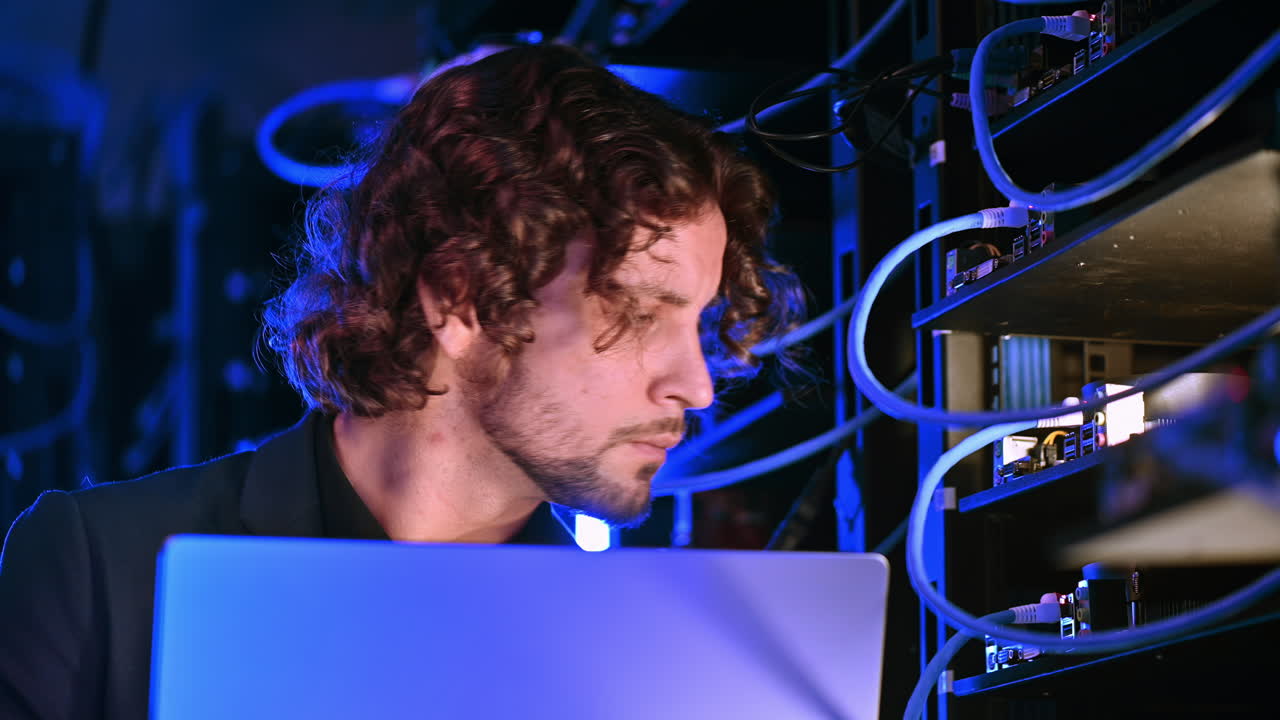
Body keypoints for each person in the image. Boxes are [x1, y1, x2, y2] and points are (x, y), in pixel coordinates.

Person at [0, 43, 802, 719]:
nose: (697, 386)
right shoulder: (102, 569)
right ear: (461, 299)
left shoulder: (657, 662)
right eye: (636, 311)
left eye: (697, 323)